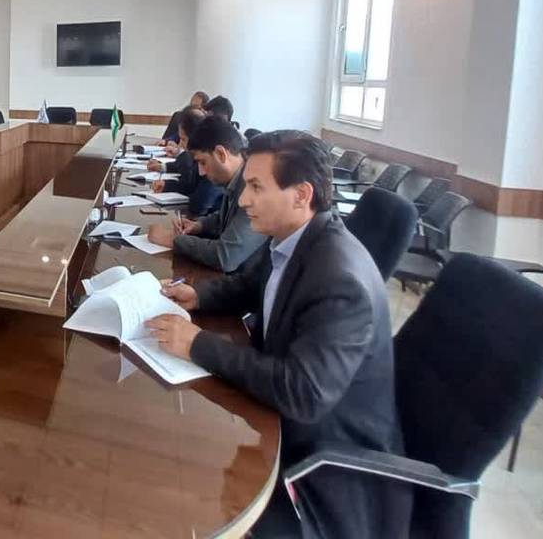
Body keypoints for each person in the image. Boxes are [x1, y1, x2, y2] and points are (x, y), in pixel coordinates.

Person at [146, 131, 409, 537]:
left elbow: (302, 392)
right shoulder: (296, 237)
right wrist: (198, 295)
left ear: (301, 195)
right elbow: (250, 285)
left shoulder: (340, 279)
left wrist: (196, 343)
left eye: (256, 187)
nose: (243, 200)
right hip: (283, 420)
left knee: (178, 488)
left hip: (325, 462)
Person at [146, 116, 265, 272]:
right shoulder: (236, 178)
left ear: (221, 154)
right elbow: (224, 217)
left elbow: (225, 256)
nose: (201, 172)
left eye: (203, 162)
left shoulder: (253, 187)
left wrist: (174, 240)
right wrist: (199, 225)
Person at [147, 106, 221, 217]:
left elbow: (199, 205)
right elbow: (189, 185)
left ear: (195, 137)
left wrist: (182, 153)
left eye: (183, 139)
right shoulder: (196, 157)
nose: (180, 144)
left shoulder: (211, 160)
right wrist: (166, 185)